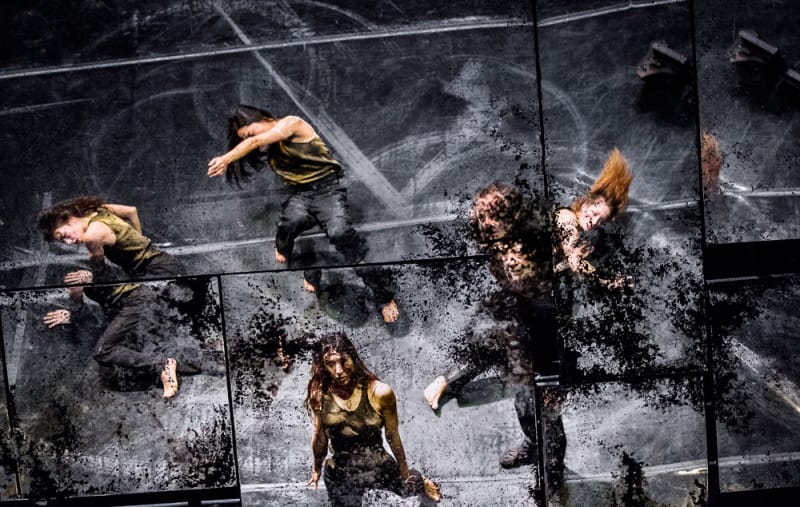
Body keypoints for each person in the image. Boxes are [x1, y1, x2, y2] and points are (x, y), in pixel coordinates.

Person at [207, 106, 398, 324]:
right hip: (301, 196)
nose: (253, 141)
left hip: (328, 192)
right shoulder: (272, 149)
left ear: (263, 119)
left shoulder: (291, 123)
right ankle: (307, 269)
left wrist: (226, 158)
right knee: (289, 227)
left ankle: (384, 296)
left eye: (251, 132)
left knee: (339, 233)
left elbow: (254, 142)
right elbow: (254, 146)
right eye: (247, 138)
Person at [422, 183, 562, 477]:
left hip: (544, 330)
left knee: (535, 407)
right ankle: (450, 380)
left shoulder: (540, 249)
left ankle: (551, 465)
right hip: (520, 311)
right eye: (482, 217)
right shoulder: (493, 242)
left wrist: (547, 376)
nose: (484, 224)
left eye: (491, 218)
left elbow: (555, 316)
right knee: (491, 340)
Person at [39, 197, 186, 398]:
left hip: (156, 275)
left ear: (71, 219)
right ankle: (168, 365)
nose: (70, 242)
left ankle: (164, 366)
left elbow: (102, 281)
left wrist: (83, 293)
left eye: (64, 235)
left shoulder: (92, 237)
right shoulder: (100, 210)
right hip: (163, 265)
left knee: (105, 349)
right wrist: (139, 244)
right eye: (63, 241)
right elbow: (131, 210)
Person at [305, 333, 440, 506]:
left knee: (408, 492)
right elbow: (320, 436)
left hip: (378, 470)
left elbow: (392, 435)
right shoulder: (319, 395)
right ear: (324, 366)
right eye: (331, 364)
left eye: (343, 361)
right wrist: (316, 469)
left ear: (353, 358)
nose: (338, 371)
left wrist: (405, 471)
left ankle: (418, 480)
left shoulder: (380, 392)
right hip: (341, 475)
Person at [553, 148, 633, 288]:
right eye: (595, 214)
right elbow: (574, 263)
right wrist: (608, 282)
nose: (595, 222)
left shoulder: (573, 227)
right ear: (585, 204)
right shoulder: (568, 218)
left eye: (601, 220)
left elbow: (554, 268)